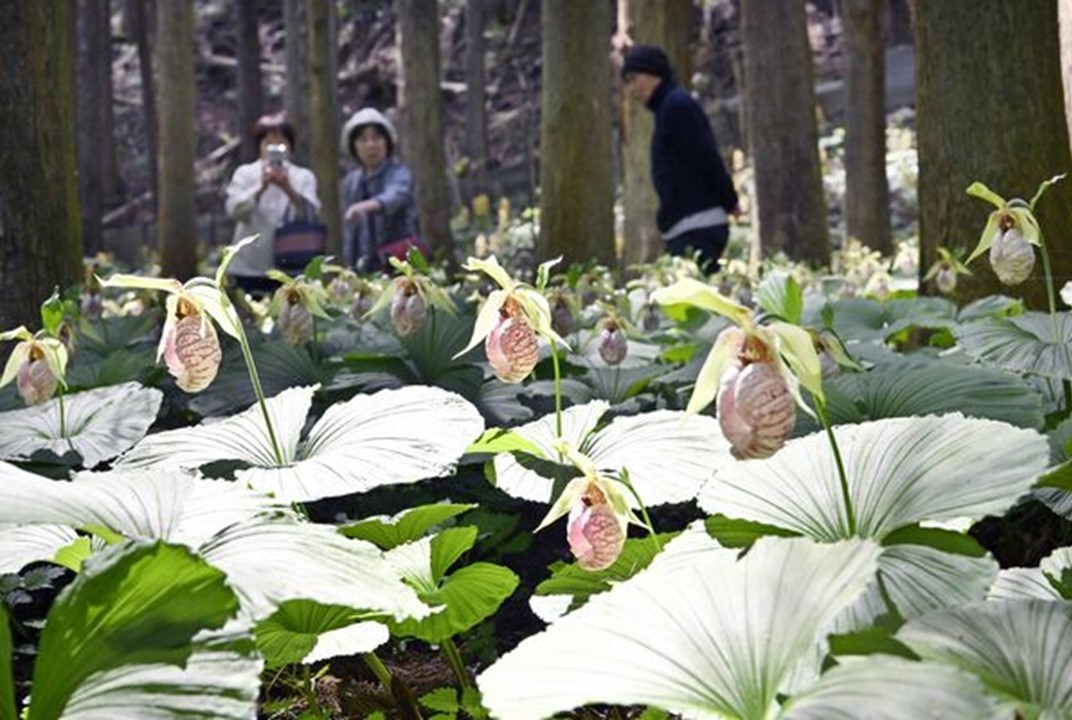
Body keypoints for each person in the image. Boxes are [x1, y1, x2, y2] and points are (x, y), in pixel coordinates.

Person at [620, 44, 739, 272]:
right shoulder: (669, 108)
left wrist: (729, 200)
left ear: (653, 74)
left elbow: (706, 157)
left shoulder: (677, 106)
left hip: (698, 225)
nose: (632, 89)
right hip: (687, 225)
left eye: (634, 79)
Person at [224, 112, 321, 293]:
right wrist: (260, 187)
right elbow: (234, 211)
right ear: (259, 146)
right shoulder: (245, 173)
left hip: (292, 267)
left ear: (290, 146)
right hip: (248, 266)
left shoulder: (303, 176)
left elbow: (312, 215)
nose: (274, 147)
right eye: (268, 143)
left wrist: (288, 188)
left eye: (280, 143)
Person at [340, 108, 421, 271]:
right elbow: (350, 233)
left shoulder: (400, 173)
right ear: (354, 146)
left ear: (387, 142)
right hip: (365, 265)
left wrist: (365, 207)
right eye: (363, 139)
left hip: (401, 265)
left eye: (376, 138)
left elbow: (396, 196)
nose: (371, 145)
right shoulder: (351, 182)